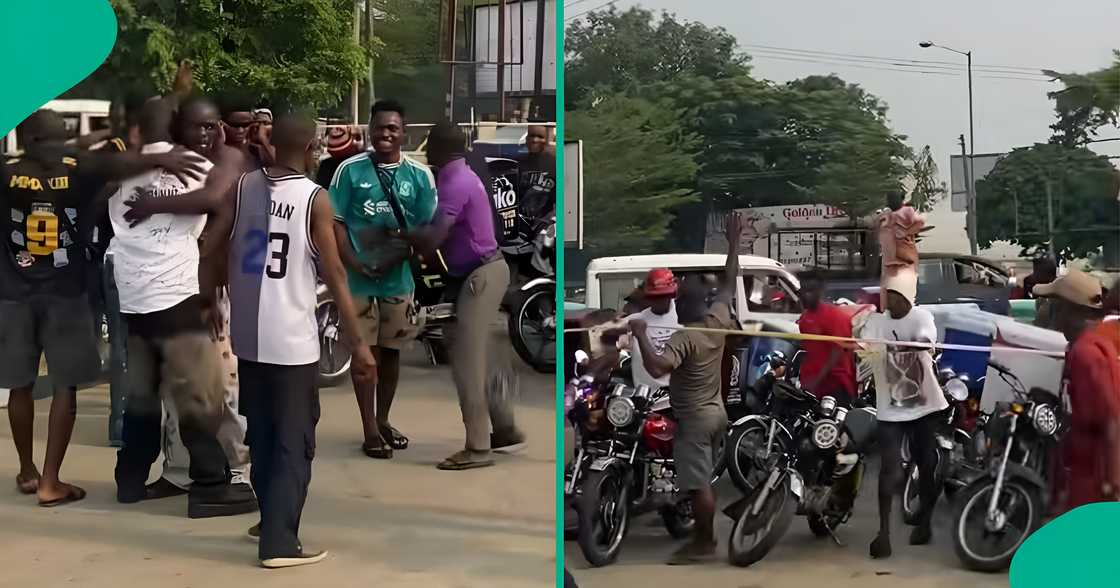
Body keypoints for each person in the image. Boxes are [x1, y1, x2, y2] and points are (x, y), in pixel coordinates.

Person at [0, 109, 207, 506]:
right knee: (65, 387)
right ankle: (50, 481)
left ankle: (26, 469)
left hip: (13, 293)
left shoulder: (7, 172)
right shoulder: (78, 174)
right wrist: (156, 154)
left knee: (20, 386)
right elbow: (119, 168)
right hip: (68, 293)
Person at [197, 112, 376, 568]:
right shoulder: (314, 198)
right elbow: (334, 273)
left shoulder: (243, 187)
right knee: (294, 441)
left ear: (271, 142)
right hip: (292, 341)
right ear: (313, 147)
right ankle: (279, 542)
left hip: (249, 336)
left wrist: (208, 299)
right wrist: (358, 344)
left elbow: (210, 246)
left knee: (262, 431)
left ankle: (270, 518)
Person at [107, 95, 256, 518]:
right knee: (195, 394)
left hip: (133, 298)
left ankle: (130, 480)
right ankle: (210, 485)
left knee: (141, 392)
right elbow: (216, 200)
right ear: (175, 129)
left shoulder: (124, 167)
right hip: (175, 296)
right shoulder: (196, 167)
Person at [404, 121, 524, 470]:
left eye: (428, 147)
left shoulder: (455, 181)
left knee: (467, 363)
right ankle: (504, 429)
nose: (425, 152)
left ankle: (477, 448)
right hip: (478, 272)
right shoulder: (457, 175)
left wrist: (399, 234)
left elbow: (432, 239)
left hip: (480, 274)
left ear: (438, 148)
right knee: (480, 355)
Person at [629, 212, 744, 565]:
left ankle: (704, 542)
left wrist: (641, 335)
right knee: (701, 480)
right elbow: (728, 282)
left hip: (693, 418)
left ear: (685, 307)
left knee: (698, 487)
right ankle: (699, 535)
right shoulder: (717, 320)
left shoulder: (684, 337)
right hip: (717, 413)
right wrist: (733, 242)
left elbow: (658, 367)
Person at [329, 99, 437, 458]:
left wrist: (396, 256)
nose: (386, 134)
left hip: (397, 281)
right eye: (379, 127)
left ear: (404, 133)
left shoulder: (419, 176)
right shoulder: (349, 171)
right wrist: (354, 262)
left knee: (391, 355)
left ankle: (384, 418)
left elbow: (425, 231)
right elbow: (335, 222)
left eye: (393, 128)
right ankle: (369, 430)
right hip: (358, 281)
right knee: (365, 355)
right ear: (369, 130)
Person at [857, 272, 947, 558]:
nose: (890, 301)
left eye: (896, 296)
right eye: (888, 295)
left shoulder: (922, 318)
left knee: (926, 464)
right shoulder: (877, 322)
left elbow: (926, 338)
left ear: (908, 298)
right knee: (889, 470)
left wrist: (916, 344)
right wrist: (863, 348)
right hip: (890, 407)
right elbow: (866, 347)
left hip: (924, 405)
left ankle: (926, 519)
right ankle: (883, 533)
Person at [1033, 270, 1117, 512]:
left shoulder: (1088, 354)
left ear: (1068, 310)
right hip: (1079, 473)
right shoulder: (1078, 347)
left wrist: (1112, 483)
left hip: (1094, 479)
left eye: (1052, 304)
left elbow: (1112, 418)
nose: (1048, 310)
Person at [796, 271, 857, 402]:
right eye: (803, 291)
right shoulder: (804, 318)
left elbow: (838, 351)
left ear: (819, 292)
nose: (804, 296)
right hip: (811, 385)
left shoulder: (834, 316)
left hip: (835, 385)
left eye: (810, 291)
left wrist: (816, 379)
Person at [623, 269, 680, 390]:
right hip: (645, 396)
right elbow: (599, 336)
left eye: (663, 296)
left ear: (672, 294)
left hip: (677, 393)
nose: (659, 300)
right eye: (654, 296)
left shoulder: (684, 318)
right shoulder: (633, 322)